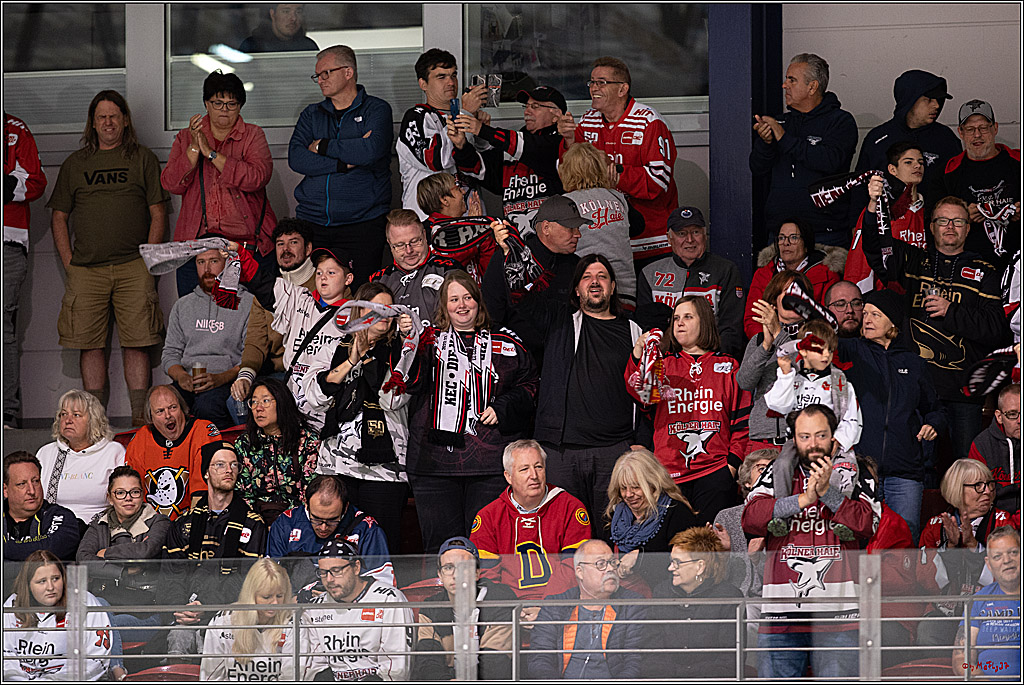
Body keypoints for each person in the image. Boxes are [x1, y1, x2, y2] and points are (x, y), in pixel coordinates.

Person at [497, 246, 642, 533]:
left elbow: (648, 393)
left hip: (614, 451)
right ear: (576, 289)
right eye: (587, 277)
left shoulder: (634, 331)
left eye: (602, 276)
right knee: (563, 536)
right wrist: (511, 255)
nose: (595, 281)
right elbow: (521, 297)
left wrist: (641, 442)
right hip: (561, 452)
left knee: (614, 534)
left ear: (613, 287)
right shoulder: (559, 321)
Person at [47, 90, 169, 425]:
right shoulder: (76, 163)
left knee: (138, 343)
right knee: (90, 345)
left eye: (114, 116)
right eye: (101, 117)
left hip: (134, 267)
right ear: (93, 123)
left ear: (125, 120)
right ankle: (95, 423)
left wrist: (149, 259)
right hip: (86, 270)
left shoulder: (142, 158)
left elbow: (158, 213)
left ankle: (140, 422)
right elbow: (59, 216)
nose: (108, 122)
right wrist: (70, 263)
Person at [860, 194, 1008, 461]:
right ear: (931, 226)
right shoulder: (913, 260)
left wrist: (951, 311)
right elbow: (873, 244)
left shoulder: (985, 270)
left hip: (963, 390)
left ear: (968, 228)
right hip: (917, 388)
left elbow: (995, 329)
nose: (950, 227)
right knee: (917, 464)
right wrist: (873, 205)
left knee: (965, 467)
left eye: (958, 221)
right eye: (943, 221)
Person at [742, 405, 880, 679]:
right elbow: (750, 517)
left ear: (834, 435)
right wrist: (802, 500)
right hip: (781, 615)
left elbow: (868, 524)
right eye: (804, 436)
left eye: (820, 435)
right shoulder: (776, 471)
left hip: (840, 616)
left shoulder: (856, 470)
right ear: (793, 438)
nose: (813, 444)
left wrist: (827, 492)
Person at [406, 270, 538, 553]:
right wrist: (408, 340)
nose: (462, 305)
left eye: (468, 297)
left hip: (490, 466)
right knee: (442, 550)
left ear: (479, 302)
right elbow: (409, 382)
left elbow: (531, 385)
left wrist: (503, 407)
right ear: (444, 305)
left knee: (487, 548)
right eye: (454, 299)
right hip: (433, 467)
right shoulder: (427, 341)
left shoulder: (508, 342)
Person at [305, 282, 417, 550]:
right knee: (333, 546)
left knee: (380, 545)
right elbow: (315, 398)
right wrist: (352, 360)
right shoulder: (335, 347)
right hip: (335, 465)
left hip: (385, 470)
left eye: (388, 309)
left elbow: (392, 399)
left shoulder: (403, 350)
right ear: (359, 311)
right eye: (375, 308)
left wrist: (379, 356)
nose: (383, 315)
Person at [626, 296, 751, 523]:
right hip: (668, 474)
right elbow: (641, 397)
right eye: (675, 318)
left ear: (704, 321)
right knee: (675, 541)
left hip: (715, 472)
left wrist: (731, 466)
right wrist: (638, 355)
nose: (679, 323)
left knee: (711, 542)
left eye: (688, 317)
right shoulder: (663, 365)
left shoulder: (729, 366)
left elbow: (742, 422)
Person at [837, 289, 946, 542]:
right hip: (860, 470)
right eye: (865, 314)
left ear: (893, 323)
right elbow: (817, 343)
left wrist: (933, 424)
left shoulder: (915, 363)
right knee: (859, 540)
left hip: (905, 473)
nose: (867, 319)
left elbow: (936, 409)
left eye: (875, 314)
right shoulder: (852, 351)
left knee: (903, 541)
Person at [161, 70, 276, 297]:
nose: (224, 109)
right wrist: (194, 148)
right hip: (197, 248)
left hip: (247, 246)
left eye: (231, 104)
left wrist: (212, 154)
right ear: (206, 104)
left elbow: (257, 177)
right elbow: (171, 183)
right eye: (217, 103)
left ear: (240, 106)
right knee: (195, 311)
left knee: (252, 312)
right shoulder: (186, 136)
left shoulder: (253, 135)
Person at [289, 46, 394, 287]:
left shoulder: (377, 109)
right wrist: (343, 163)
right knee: (313, 296)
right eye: (317, 75)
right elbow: (297, 158)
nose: (320, 80)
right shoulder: (311, 114)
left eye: (326, 73)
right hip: (313, 222)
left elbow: (371, 150)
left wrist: (322, 145)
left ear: (348, 72)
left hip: (362, 223)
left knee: (361, 295)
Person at [558, 56, 678, 266]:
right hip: (605, 238)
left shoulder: (649, 121)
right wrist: (569, 140)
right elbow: (569, 176)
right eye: (592, 82)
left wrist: (615, 174)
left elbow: (658, 181)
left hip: (651, 240)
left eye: (601, 82)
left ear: (622, 89)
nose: (594, 88)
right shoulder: (587, 120)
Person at [225, 239, 354, 431]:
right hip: (291, 396)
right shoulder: (299, 299)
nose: (323, 278)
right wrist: (242, 255)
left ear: (348, 279)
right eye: (319, 272)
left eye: (331, 273)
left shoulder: (356, 316)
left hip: (328, 399)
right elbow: (262, 283)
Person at [163, 442, 267, 655]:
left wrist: (207, 605)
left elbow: (248, 580)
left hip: (229, 614)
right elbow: (170, 574)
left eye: (234, 465)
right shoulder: (183, 522)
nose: (229, 470)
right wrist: (179, 608)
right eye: (220, 464)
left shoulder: (253, 523)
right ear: (206, 473)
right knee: (178, 637)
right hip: (184, 613)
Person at [749, 53, 858, 246]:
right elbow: (757, 168)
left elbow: (830, 161)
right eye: (786, 79)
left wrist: (784, 138)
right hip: (781, 233)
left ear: (812, 87)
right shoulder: (781, 122)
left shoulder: (840, 121)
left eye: (792, 80)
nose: (784, 85)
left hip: (825, 234)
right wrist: (766, 143)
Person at [471, 440, 591, 600]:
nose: (534, 476)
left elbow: (575, 567)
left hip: (560, 605)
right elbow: (487, 576)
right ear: (508, 476)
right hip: (508, 607)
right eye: (524, 469)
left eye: (538, 467)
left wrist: (547, 607)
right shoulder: (488, 516)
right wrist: (511, 608)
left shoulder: (571, 507)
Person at [918, 458, 1017, 649]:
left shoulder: (1004, 524)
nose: (987, 491)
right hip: (946, 612)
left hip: (992, 611)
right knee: (927, 633)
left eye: (989, 484)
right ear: (957, 489)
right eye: (978, 486)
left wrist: (973, 546)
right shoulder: (935, 526)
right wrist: (950, 549)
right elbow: (926, 584)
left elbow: (1010, 579)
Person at [229, 220, 318, 418]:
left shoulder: (324, 283)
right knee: (237, 400)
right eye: (280, 244)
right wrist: (244, 377)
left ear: (308, 248)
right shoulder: (265, 292)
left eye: (293, 242)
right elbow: (255, 341)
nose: (285, 249)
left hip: (314, 372)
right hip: (279, 372)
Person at [76, 466, 170, 647]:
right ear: (110, 498)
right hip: (106, 600)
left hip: (146, 610)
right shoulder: (99, 525)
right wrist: (123, 573)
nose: (128, 498)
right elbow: (83, 559)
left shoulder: (159, 522)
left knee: (100, 627)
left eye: (134, 492)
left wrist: (106, 553)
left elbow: (144, 551)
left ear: (142, 495)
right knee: (98, 613)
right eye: (120, 493)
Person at [849, 69, 959, 223]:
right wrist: (856, 224)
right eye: (929, 99)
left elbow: (958, 187)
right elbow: (859, 187)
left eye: (938, 100)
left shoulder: (946, 139)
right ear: (910, 100)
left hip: (934, 228)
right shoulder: (877, 139)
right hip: (886, 228)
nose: (936, 105)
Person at [482, 194, 584, 361]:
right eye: (570, 228)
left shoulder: (578, 266)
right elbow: (491, 315)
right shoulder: (509, 258)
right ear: (546, 228)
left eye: (578, 228)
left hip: (563, 359)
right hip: (515, 359)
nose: (578, 234)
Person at [527, 539, 646, 679]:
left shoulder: (632, 605)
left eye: (613, 562)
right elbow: (539, 659)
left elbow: (635, 663)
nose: (610, 569)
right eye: (601, 564)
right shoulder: (556, 606)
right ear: (580, 572)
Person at [455, 85, 567, 234]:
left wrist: (481, 130)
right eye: (526, 106)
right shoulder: (512, 146)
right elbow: (486, 175)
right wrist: (461, 146)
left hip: (552, 238)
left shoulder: (562, 144)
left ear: (556, 115)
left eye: (535, 107)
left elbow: (531, 147)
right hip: (515, 240)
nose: (527, 111)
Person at [635, 205, 745, 357]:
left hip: (710, 359)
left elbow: (731, 330)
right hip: (664, 362)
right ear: (669, 238)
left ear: (705, 235)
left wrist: (711, 361)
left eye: (696, 232)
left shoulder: (725, 270)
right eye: (682, 233)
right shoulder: (650, 273)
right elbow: (645, 328)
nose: (690, 240)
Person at [162, 247, 253, 429]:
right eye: (201, 262)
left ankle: (220, 446)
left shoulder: (247, 302)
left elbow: (252, 356)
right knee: (161, 401)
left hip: (227, 380)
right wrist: (181, 377)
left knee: (207, 406)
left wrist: (221, 378)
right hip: (189, 381)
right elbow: (170, 354)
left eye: (214, 261)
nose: (207, 269)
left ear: (228, 263)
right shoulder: (182, 305)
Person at [929, 99, 1020, 268]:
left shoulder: (1018, 162)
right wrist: (960, 217)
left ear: (995, 128)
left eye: (983, 128)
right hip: (967, 268)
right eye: (970, 129)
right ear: (961, 132)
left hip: (1018, 265)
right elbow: (933, 222)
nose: (977, 135)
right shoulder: (946, 173)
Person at [304, 538, 412, 681]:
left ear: (356, 567)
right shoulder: (315, 607)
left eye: (336, 571)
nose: (329, 579)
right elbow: (315, 666)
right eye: (323, 572)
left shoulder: (390, 600)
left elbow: (396, 669)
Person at [398, 48, 487, 220]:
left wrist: (483, 133)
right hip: (428, 223)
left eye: (453, 75)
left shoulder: (466, 117)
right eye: (441, 77)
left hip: (470, 218)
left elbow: (486, 173)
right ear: (423, 84)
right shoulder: (415, 117)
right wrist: (465, 113)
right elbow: (437, 160)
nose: (451, 82)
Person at [412, 536, 515, 681]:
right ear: (440, 575)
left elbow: (496, 663)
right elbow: (427, 663)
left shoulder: (499, 600)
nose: (455, 575)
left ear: (477, 573)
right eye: (448, 568)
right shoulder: (430, 608)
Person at [267, 474, 393, 591]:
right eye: (316, 519)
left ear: (345, 508)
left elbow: (383, 586)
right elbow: (270, 578)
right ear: (306, 504)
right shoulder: (286, 523)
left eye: (332, 520)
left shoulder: (367, 529)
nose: (323, 527)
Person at [200, 558, 321, 680]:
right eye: (267, 597)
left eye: (279, 596)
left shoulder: (294, 623)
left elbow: (291, 678)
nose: (275, 603)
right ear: (251, 595)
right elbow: (211, 678)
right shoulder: (223, 622)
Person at [2, 551, 112, 681]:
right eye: (42, 581)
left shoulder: (85, 601)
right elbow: (5, 655)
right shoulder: (13, 604)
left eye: (55, 578)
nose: (50, 587)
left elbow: (95, 658)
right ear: (28, 585)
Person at [648, 527, 742, 679]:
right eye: (671, 561)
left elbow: (730, 662)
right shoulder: (661, 592)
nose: (670, 568)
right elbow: (651, 655)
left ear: (700, 567)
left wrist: (685, 674)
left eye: (677, 563)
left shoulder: (729, 597)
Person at [738, 270, 814, 449]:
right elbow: (745, 382)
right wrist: (766, 346)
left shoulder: (815, 335)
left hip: (801, 439)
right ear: (774, 302)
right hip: (762, 439)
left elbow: (803, 369)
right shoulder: (759, 339)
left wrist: (778, 333)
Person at [3, 112, 46, 429]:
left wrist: (6, 185)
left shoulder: (15, 129)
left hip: (8, 240)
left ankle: (5, 411)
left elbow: (35, 182)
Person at [603, 448, 699, 590]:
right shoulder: (615, 514)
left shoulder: (677, 512)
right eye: (623, 488)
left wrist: (641, 557)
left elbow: (686, 564)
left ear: (653, 484)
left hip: (664, 592)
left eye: (636, 487)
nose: (628, 494)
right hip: (621, 593)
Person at [764, 318, 862, 453]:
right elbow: (778, 406)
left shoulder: (841, 384)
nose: (826, 355)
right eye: (820, 350)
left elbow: (852, 419)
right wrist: (785, 375)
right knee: (782, 463)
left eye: (830, 350)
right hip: (796, 450)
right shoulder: (791, 379)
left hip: (830, 450)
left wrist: (839, 440)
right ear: (803, 351)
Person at [124, 385, 221, 520]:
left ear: (182, 408)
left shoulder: (202, 431)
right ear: (151, 417)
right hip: (149, 523)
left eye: (172, 407)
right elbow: (131, 493)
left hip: (192, 520)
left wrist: (189, 527)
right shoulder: (140, 439)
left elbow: (202, 494)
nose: (168, 415)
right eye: (160, 411)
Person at [845, 142, 930, 292]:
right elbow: (859, 264)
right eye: (908, 162)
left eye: (921, 162)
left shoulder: (932, 211)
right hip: (886, 296)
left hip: (923, 294)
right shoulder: (877, 210)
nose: (917, 166)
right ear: (892, 169)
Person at [235, 377, 320, 524]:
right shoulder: (244, 443)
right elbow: (242, 493)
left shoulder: (307, 441)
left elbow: (310, 492)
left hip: (297, 520)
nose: (258, 408)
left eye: (265, 401)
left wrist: (283, 525)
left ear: (282, 403)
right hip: (256, 521)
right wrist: (257, 524)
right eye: (254, 402)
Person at [35, 389, 125, 523]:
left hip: (101, 526)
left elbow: (125, 498)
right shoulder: (46, 453)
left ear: (93, 420)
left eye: (76, 415)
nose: (68, 420)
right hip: (54, 524)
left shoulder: (113, 451)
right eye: (63, 414)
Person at [743, 219, 841, 339]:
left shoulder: (827, 273)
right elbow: (752, 318)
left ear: (806, 245)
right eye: (781, 238)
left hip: (809, 343)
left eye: (793, 237)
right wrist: (766, 343)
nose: (786, 243)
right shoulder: (764, 273)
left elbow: (826, 321)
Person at [369, 209, 461, 329]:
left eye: (415, 241)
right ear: (390, 244)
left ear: (424, 235)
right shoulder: (379, 280)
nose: (409, 250)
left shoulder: (448, 270)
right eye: (400, 245)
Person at [952, 526, 1020, 678]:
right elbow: (961, 661)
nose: (1007, 560)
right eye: (997, 556)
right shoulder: (978, 601)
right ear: (989, 564)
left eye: (1013, 552)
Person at [418, 172, 497, 283]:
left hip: (477, 292)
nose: (463, 192)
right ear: (444, 200)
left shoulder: (467, 225)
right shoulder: (424, 233)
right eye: (458, 189)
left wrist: (481, 230)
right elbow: (446, 263)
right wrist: (474, 231)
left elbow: (491, 270)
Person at [2, 452, 81, 563]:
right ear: (5, 490)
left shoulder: (61, 515)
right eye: (22, 484)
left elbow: (52, 549)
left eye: (35, 481)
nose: (31, 491)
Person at [969, 383, 1021, 512]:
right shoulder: (982, 444)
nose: (1020, 420)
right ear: (999, 417)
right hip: (994, 514)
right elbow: (976, 496)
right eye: (1012, 414)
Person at [239, 3, 318, 53]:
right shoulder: (252, 46)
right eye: (286, 11)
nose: (293, 18)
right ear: (273, 14)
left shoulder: (309, 47)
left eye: (298, 12)